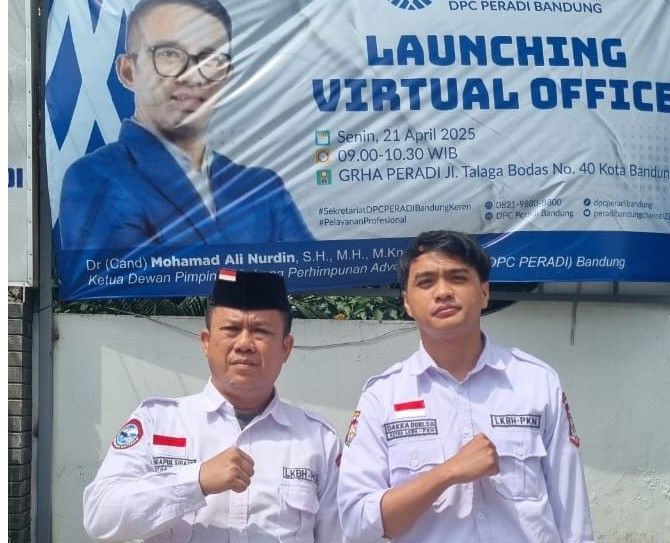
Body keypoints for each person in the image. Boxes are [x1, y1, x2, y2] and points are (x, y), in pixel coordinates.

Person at [337, 230, 594, 542]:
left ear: (484, 293)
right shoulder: (383, 397)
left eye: (458, 278)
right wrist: (448, 473)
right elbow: (357, 523)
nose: (443, 292)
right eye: (426, 282)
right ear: (407, 303)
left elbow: (573, 516)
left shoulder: (536, 383)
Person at [83, 270, 343, 542]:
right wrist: (196, 480)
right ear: (206, 342)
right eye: (231, 329)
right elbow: (100, 516)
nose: (244, 344)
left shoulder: (318, 440)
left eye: (261, 331)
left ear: (286, 348)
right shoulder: (158, 421)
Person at [58, 0, 313, 249]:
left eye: (211, 59)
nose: (193, 75)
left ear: (227, 78)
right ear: (128, 71)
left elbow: (307, 270)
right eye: (169, 54)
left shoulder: (261, 188)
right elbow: (124, 275)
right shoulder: (96, 178)